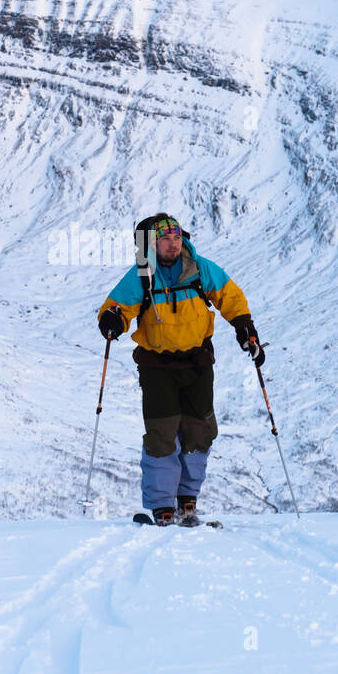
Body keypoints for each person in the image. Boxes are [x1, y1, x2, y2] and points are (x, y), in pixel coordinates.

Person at [96, 213, 264, 525]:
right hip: (157, 367)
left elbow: (231, 299)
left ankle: (188, 499)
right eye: (164, 240)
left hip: (198, 362)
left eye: (176, 238)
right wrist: (113, 320)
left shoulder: (201, 269)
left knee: (198, 431)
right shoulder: (142, 276)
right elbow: (118, 307)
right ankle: (163, 506)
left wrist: (246, 331)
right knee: (162, 434)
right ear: (152, 245)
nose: (172, 245)